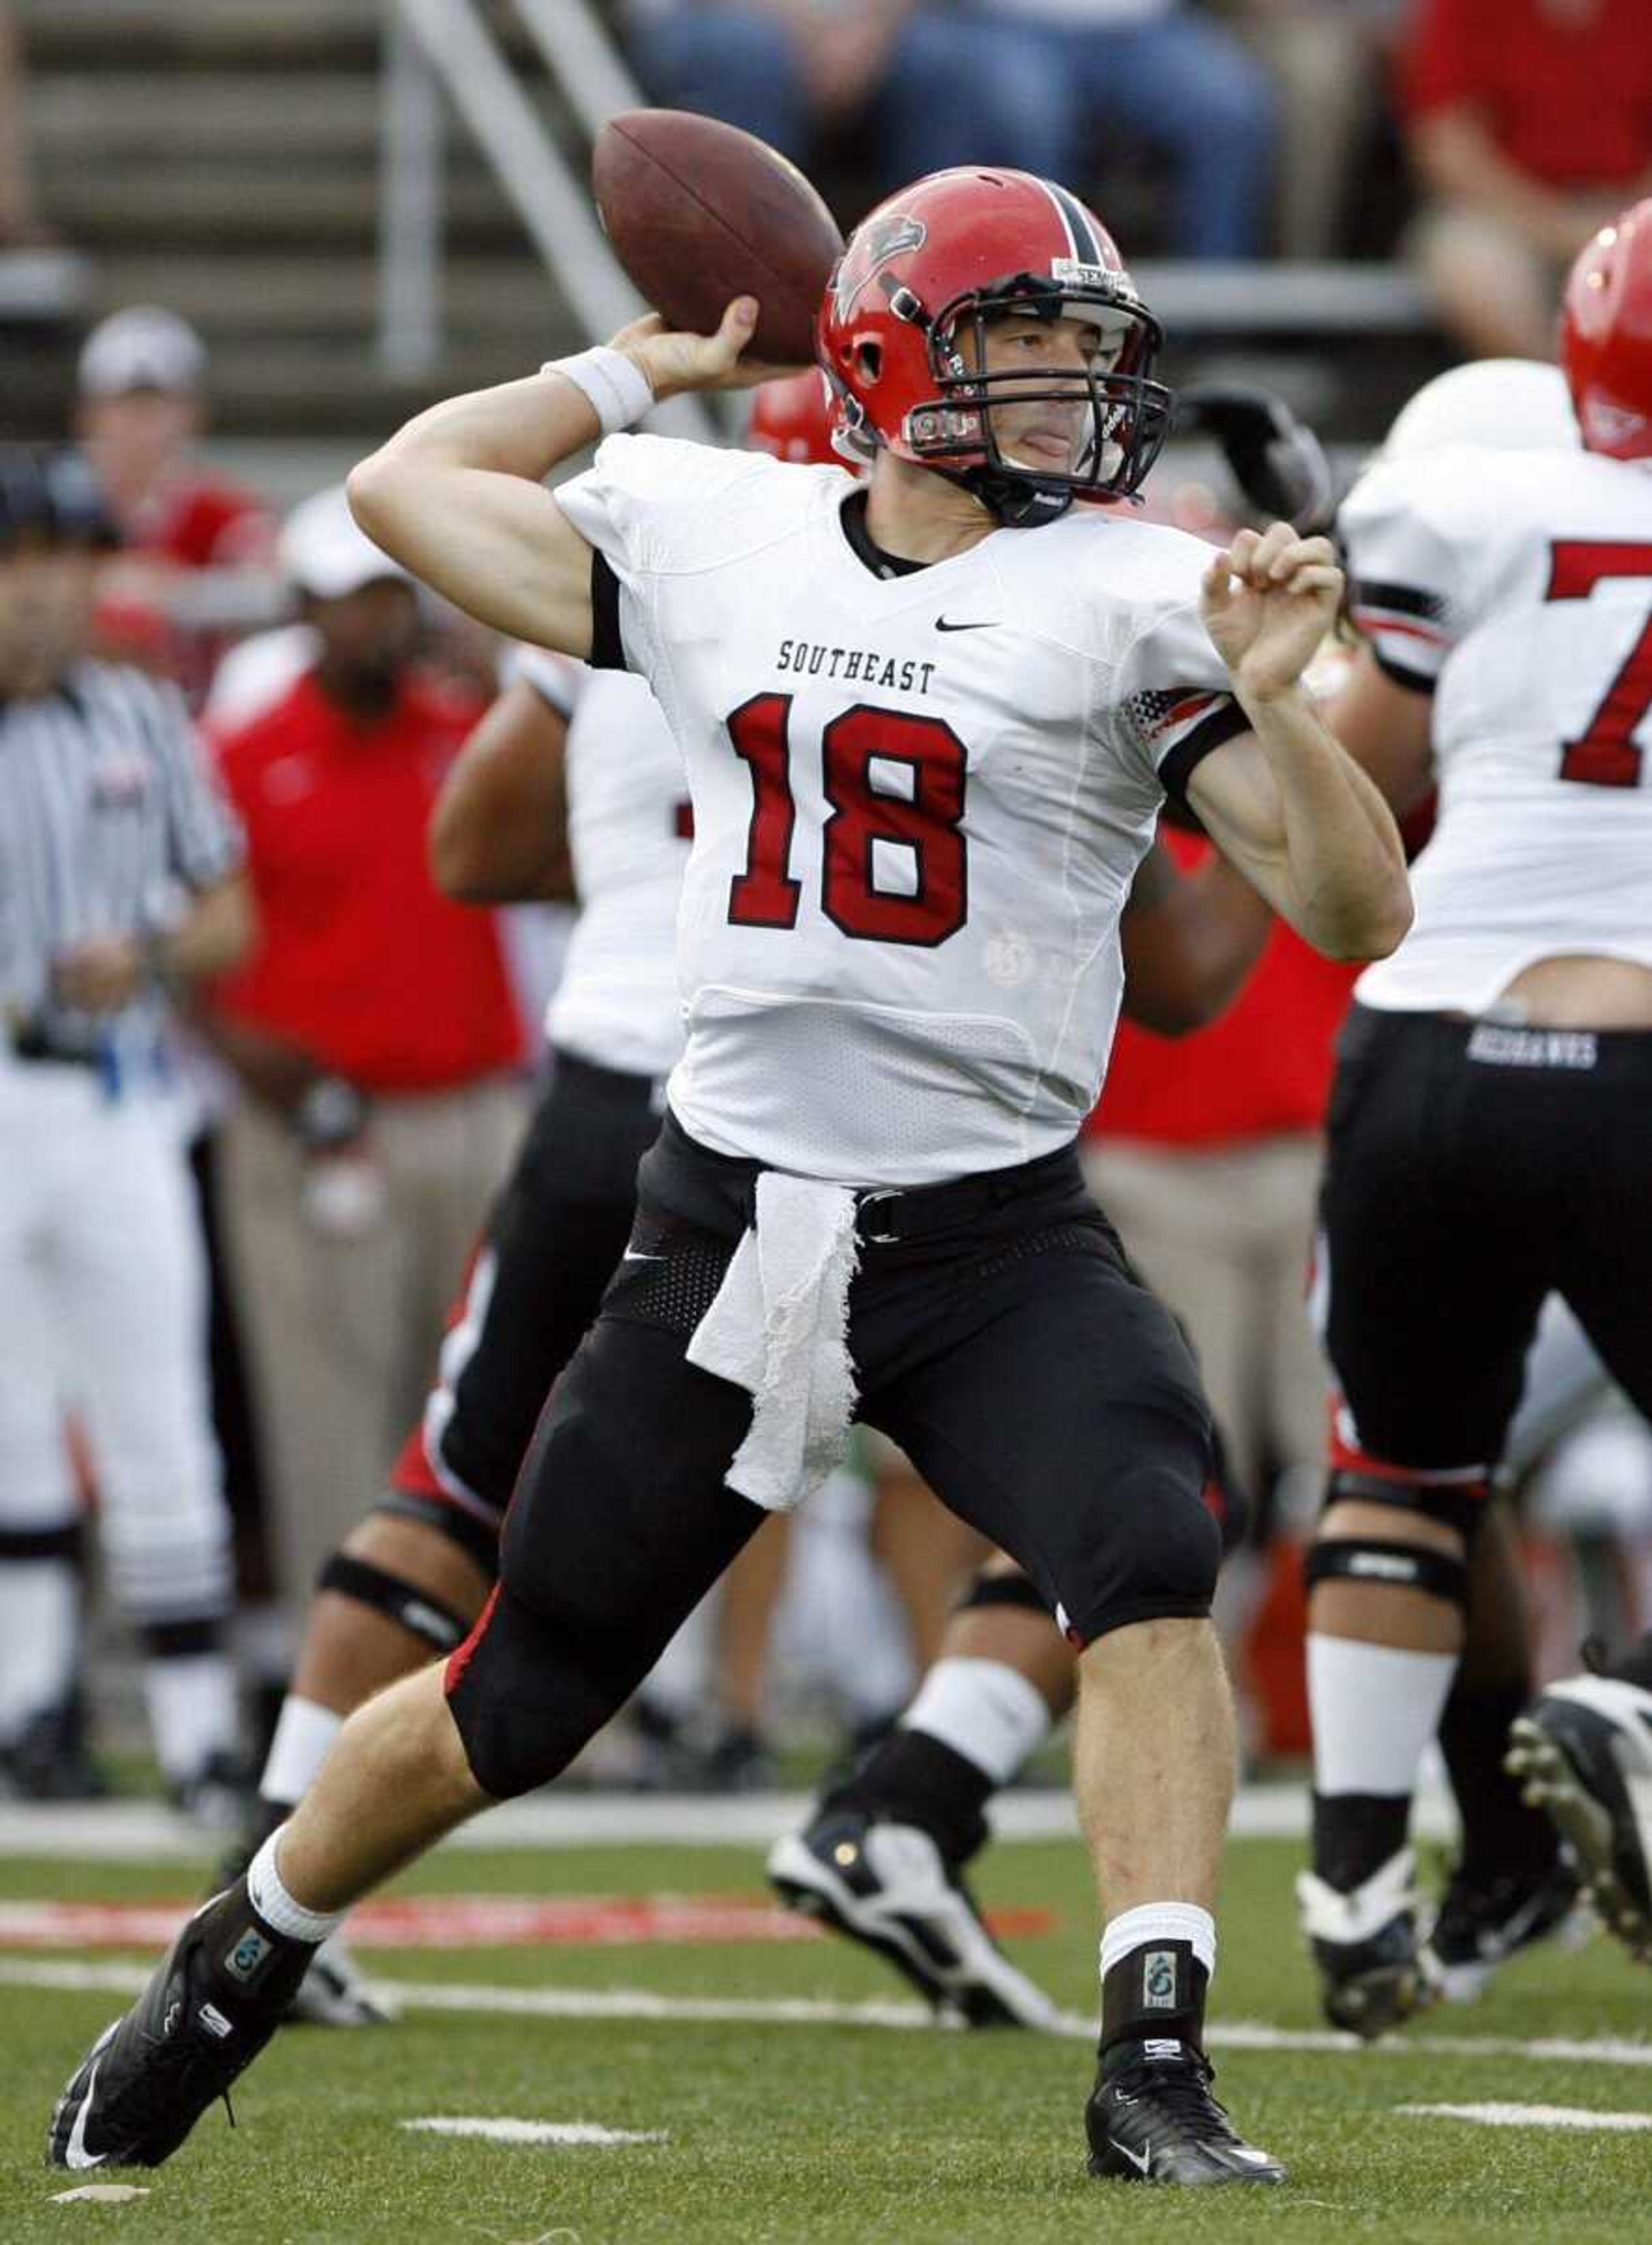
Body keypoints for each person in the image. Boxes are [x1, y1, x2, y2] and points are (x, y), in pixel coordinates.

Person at [48, 164, 1409, 2185]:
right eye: (1020, 342)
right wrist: (624, 369)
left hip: (993, 1222)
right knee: (524, 1689)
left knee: (1140, 1545)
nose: (1068, 388)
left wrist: (1286, 712)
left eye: (1080, 347)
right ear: (884, 362)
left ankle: (1155, 2058)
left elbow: (1355, 905)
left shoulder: (1138, 586)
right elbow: (414, 489)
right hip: (734, 1217)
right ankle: (241, 1948)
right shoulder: (718, 527)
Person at [1292, 200, 1652, 2036]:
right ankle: (1633, 1705)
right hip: (1637, 1055)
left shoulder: (1476, 507)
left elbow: (1358, 776)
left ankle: (1353, 1888)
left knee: (1399, 1469)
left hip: (1425, 1044)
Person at [201, 488, 527, 1631]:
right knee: (328, 1421)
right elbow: (201, 961)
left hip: (478, 1113)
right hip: (317, 1123)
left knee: (500, 1410)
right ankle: (335, 1690)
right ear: (303, 610)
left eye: (393, 599)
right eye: (353, 604)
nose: (379, 625)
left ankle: (500, 1683)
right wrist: (279, 1079)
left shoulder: (464, 729)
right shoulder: (244, 754)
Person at [0, 448, 253, 1811]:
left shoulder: (137, 716)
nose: (44, 593)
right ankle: (28, 1708)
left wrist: (147, 945)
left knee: (158, 1406)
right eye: (22, 561)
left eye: (68, 561)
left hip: (109, 1092)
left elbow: (228, 909)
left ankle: (198, 1728)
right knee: (12, 1426)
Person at [1400, 0, 1652, 360]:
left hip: (1630, 216)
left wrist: (1625, 220)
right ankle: (1556, 389)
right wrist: (1555, 224)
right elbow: (1447, 143)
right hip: (1504, 217)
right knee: (1471, 261)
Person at [75, 307, 276, 701]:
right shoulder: (60, 507)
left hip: (198, 715)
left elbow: (271, 596)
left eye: (157, 406)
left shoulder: (228, 514)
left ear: (192, 414)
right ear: (90, 416)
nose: (140, 423)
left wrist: (179, 593)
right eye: (125, 406)